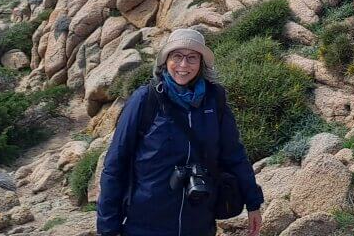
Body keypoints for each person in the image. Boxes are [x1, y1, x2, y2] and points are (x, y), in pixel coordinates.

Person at [97, 28, 264, 236]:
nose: (183, 65)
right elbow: (115, 165)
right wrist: (108, 228)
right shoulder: (145, 100)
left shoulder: (214, 100)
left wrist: (253, 203)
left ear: (201, 63)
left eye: (192, 58)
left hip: (199, 222)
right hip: (145, 224)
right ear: (166, 60)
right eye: (177, 56)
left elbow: (234, 155)